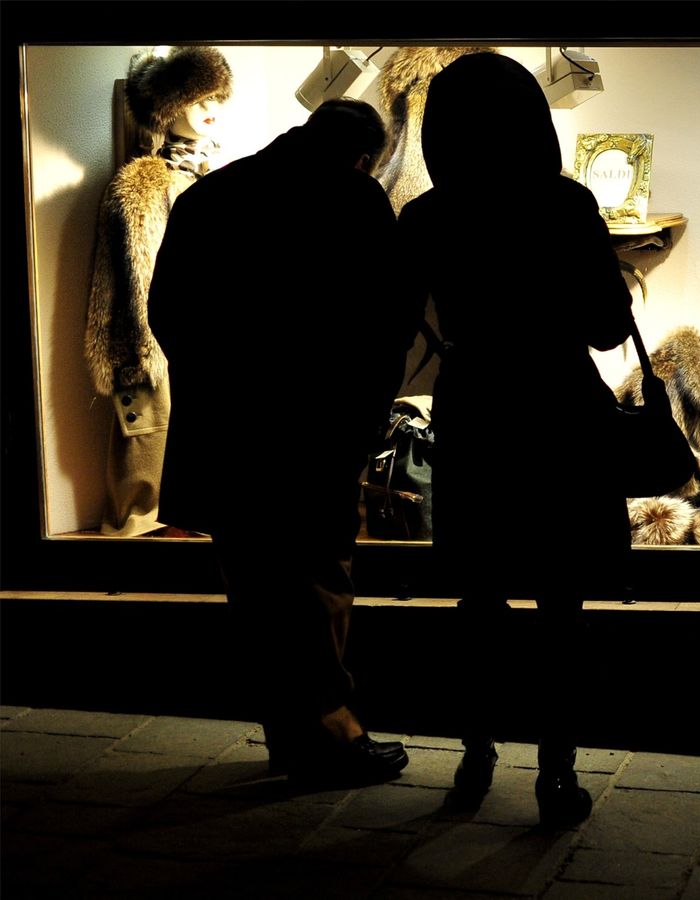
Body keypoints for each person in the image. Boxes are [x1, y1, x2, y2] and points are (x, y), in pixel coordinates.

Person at [148, 99, 418, 784]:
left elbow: (168, 314)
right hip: (314, 430)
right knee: (319, 576)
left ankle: (290, 735)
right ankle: (332, 733)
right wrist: (361, 416)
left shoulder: (212, 196)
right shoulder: (353, 200)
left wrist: (219, 385)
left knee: (257, 585)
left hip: (228, 430)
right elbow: (384, 325)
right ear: (364, 156)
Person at [398, 52, 633, 827]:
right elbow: (605, 329)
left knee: (477, 600)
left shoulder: (427, 216)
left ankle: (475, 756)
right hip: (557, 408)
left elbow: (401, 330)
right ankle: (555, 772)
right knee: (560, 604)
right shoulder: (564, 205)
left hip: (477, 411)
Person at [86, 46, 232, 536]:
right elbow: (134, 280)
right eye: (198, 99)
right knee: (147, 457)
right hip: (158, 341)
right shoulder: (147, 184)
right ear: (169, 110)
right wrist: (138, 353)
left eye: (216, 97)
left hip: (205, 340)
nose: (210, 109)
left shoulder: (217, 177)